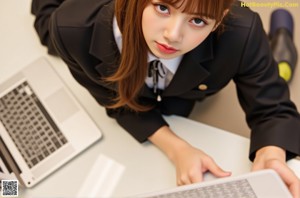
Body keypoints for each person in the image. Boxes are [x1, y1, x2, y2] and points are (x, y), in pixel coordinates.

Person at [31, 0, 300, 197]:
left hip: (190, 88)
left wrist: (271, 154)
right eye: (163, 7)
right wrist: (177, 148)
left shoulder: (242, 30)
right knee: (46, 31)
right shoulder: (72, 29)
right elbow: (114, 101)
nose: (173, 35)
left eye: (198, 20)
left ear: (220, 19)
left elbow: (274, 110)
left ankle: (280, 41)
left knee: (260, 56)